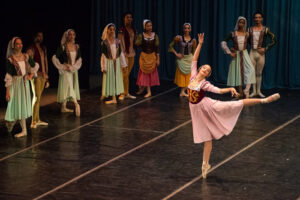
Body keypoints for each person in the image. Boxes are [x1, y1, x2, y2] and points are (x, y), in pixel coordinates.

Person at [189, 33, 280, 179]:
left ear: (207, 75)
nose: (205, 70)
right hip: (197, 113)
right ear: (199, 69)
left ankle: (264, 100)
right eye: (204, 68)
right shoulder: (192, 75)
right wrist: (200, 44)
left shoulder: (204, 84)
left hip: (208, 107)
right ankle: (205, 164)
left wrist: (230, 89)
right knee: (207, 139)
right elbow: (194, 59)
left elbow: (217, 90)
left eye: (208, 70)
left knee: (235, 104)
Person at [5, 37, 39, 137]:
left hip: (23, 83)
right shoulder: (10, 59)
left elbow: (34, 66)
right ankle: (11, 123)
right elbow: (9, 76)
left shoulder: (26, 56)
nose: (20, 46)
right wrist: (7, 91)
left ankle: (24, 130)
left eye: (21, 44)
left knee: (22, 105)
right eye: (17, 44)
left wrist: (31, 75)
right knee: (14, 105)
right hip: (15, 84)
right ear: (13, 46)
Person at [221, 16, 256, 98]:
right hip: (236, 55)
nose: (241, 24)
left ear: (245, 24)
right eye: (240, 22)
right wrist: (230, 52)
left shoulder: (247, 34)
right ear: (237, 23)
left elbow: (252, 44)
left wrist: (261, 48)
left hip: (244, 54)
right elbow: (223, 43)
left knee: (251, 70)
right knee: (237, 73)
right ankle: (240, 92)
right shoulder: (233, 33)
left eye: (243, 23)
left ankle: (246, 90)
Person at [52, 29, 82, 116]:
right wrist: (62, 66)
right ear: (66, 36)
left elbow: (79, 59)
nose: (72, 36)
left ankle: (63, 107)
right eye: (70, 35)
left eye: (73, 34)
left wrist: (74, 67)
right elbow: (54, 57)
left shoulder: (76, 46)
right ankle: (76, 104)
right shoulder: (63, 46)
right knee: (69, 87)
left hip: (73, 70)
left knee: (69, 87)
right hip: (66, 70)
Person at [248, 11, 276, 97]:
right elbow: (246, 40)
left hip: (261, 54)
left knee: (259, 72)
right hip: (252, 52)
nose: (257, 19)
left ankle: (259, 91)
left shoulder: (266, 29)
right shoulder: (250, 29)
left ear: (262, 19)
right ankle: (253, 92)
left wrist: (265, 48)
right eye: (256, 17)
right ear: (253, 19)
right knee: (252, 72)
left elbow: (274, 40)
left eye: (259, 17)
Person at [27, 32, 49, 128]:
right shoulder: (31, 48)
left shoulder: (43, 48)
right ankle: (33, 121)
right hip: (36, 75)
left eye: (41, 36)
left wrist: (47, 77)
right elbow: (28, 62)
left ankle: (37, 119)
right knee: (36, 97)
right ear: (34, 36)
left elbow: (45, 62)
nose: (39, 37)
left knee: (39, 98)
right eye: (38, 36)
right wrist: (31, 73)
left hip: (43, 75)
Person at [100, 23, 127, 104]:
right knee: (109, 79)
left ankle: (114, 98)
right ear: (107, 30)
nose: (112, 31)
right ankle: (108, 95)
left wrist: (124, 65)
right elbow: (103, 55)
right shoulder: (104, 42)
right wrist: (103, 66)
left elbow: (120, 53)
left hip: (117, 62)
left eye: (113, 29)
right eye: (110, 29)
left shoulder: (117, 41)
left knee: (115, 79)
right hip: (109, 62)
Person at [169, 23, 196, 97]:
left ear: (190, 29)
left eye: (188, 28)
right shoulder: (179, 38)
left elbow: (194, 51)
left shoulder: (193, 40)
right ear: (183, 29)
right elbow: (170, 46)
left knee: (189, 77)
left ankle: (183, 91)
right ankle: (182, 91)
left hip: (189, 59)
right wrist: (176, 53)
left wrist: (194, 59)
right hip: (182, 59)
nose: (186, 30)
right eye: (185, 28)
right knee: (182, 76)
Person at [135, 19, 160, 98]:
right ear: (145, 27)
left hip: (152, 56)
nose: (150, 27)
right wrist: (138, 38)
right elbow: (137, 44)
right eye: (148, 26)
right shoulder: (141, 35)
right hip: (144, 56)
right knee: (144, 73)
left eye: (151, 25)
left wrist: (158, 58)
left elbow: (157, 48)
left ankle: (148, 91)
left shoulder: (155, 35)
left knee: (149, 74)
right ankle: (143, 88)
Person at [118, 12, 137, 100]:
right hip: (124, 54)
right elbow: (120, 43)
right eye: (127, 17)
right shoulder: (121, 30)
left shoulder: (133, 30)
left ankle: (127, 92)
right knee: (124, 74)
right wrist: (123, 53)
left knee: (126, 74)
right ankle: (122, 93)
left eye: (130, 17)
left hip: (132, 53)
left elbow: (135, 41)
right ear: (124, 19)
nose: (129, 19)